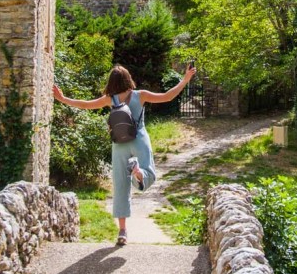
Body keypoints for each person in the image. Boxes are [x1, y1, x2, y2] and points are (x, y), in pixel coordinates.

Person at [53, 62, 196, 246]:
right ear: (128, 79)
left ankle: (122, 232)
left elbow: (85, 105)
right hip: (139, 139)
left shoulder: (110, 99)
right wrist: (185, 79)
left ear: (111, 82)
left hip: (119, 144)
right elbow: (168, 96)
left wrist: (63, 98)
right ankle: (138, 174)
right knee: (148, 172)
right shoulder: (140, 95)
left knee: (120, 186)